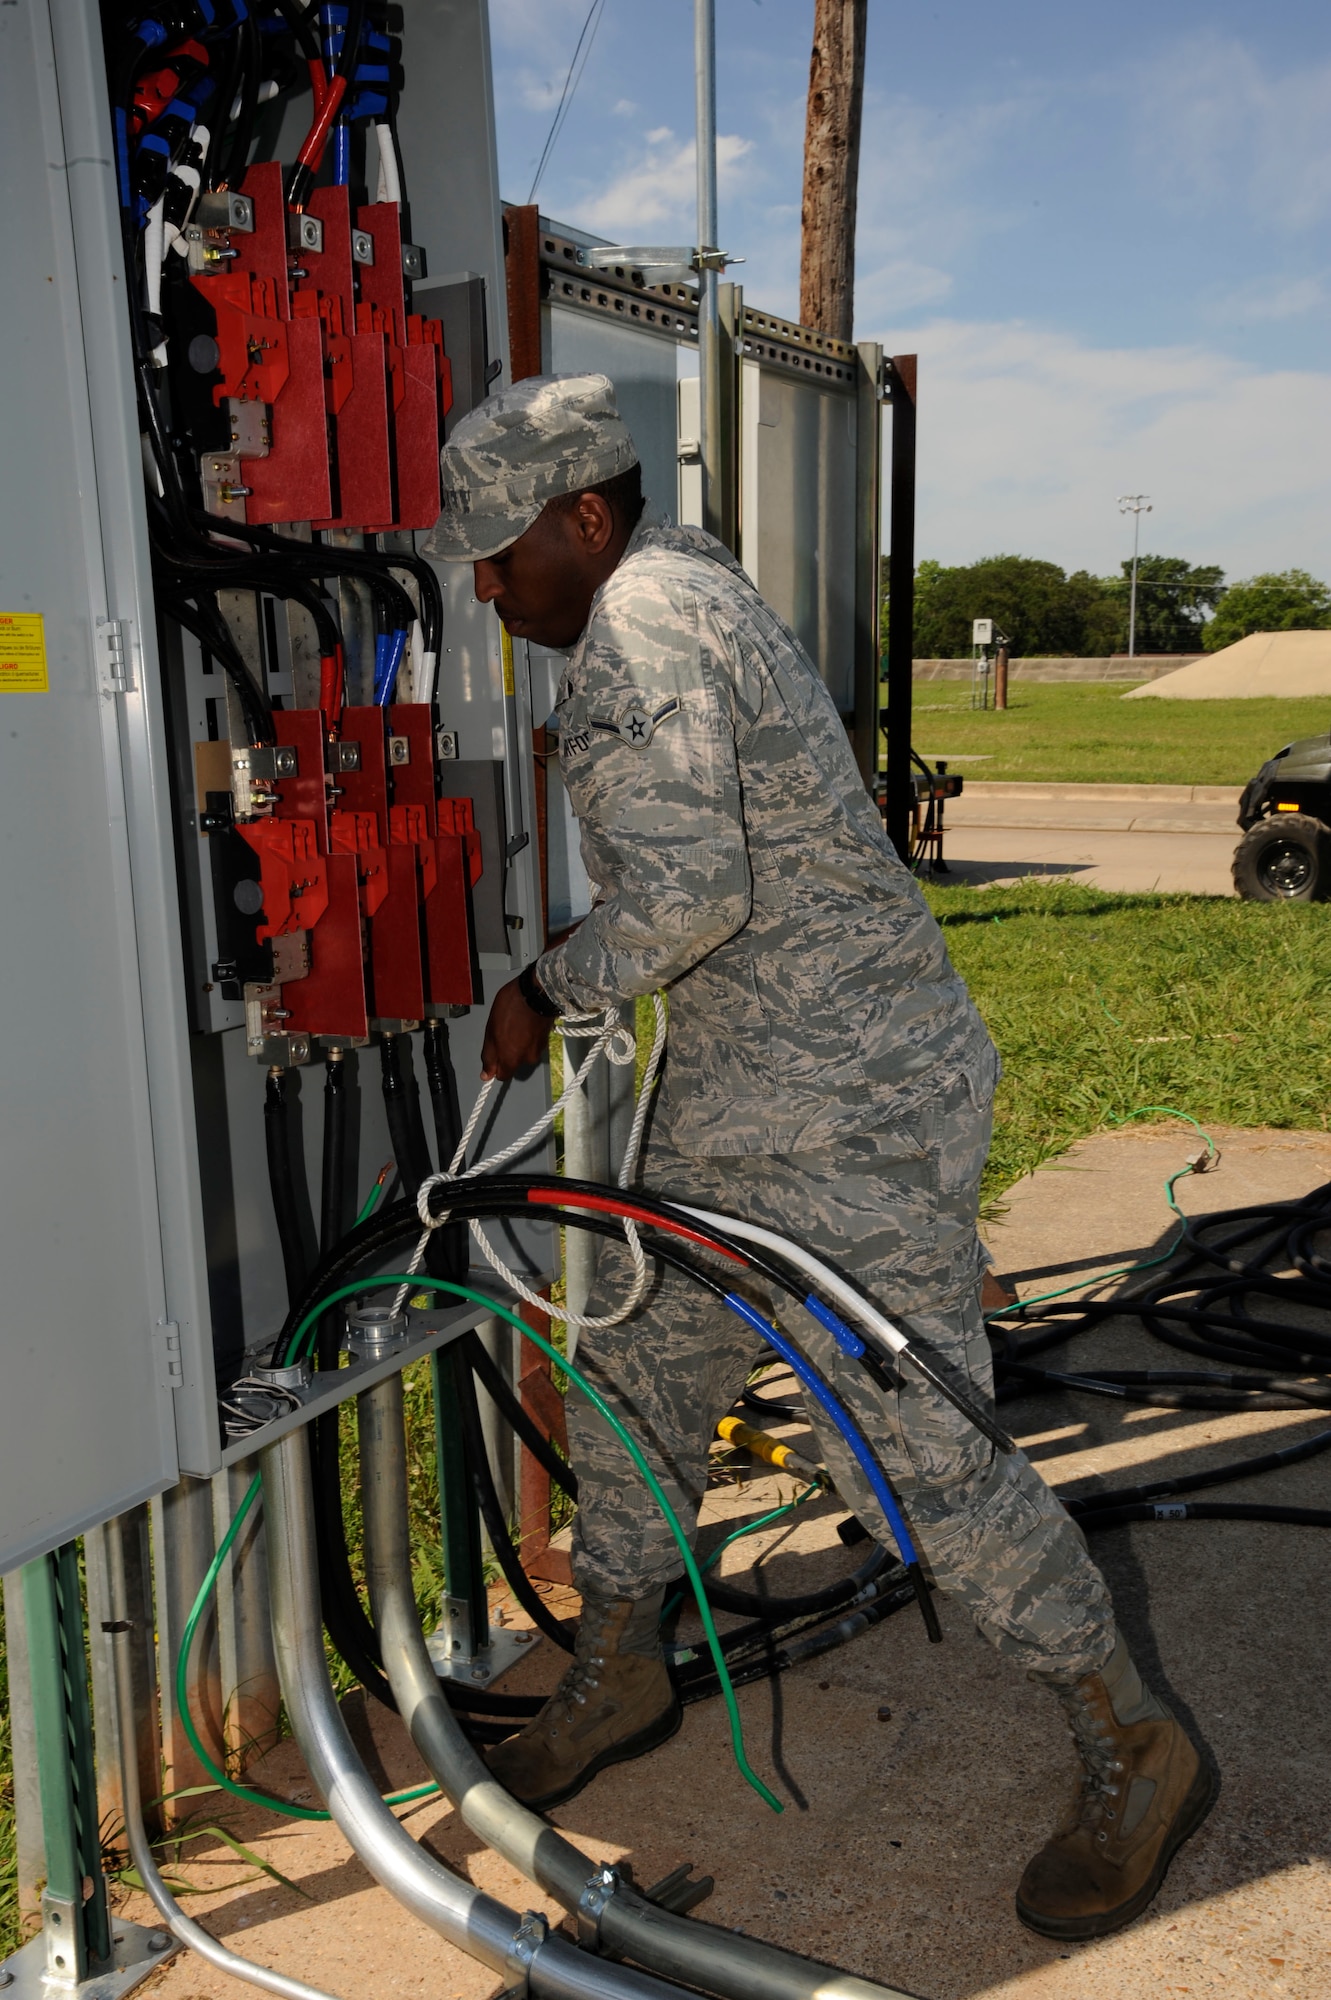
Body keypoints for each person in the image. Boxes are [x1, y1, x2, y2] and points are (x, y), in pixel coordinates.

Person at [422, 373, 1214, 1941]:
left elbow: (686, 900)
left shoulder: (645, 620)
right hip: (741, 1092)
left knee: (906, 1444)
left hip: (850, 1111)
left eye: (499, 549)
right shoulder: (684, 583)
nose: (486, 581)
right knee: (640, 1368)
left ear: (585, 516)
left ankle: (1134, 1737)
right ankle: (626, 1663)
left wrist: (542, 990)